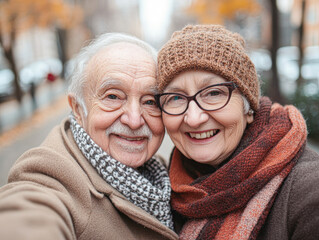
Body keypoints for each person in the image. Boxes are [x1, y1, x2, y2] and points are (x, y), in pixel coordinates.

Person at [0, 33, 178, 240]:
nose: (134, 120)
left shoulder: (165, 173)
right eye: (113, 96)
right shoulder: (50, 176)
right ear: (77, 108)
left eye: (149, 101)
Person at [155, 24, 319, 240]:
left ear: (248, 107)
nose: (194, 118)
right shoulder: (162, 190)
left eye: (214, 93)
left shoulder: (308, 191)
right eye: (175, 98)